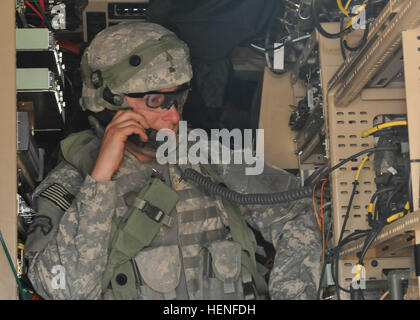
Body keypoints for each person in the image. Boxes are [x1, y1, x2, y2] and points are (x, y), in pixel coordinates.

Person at [24, 22, 321, 300]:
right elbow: (64, 290)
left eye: (178, 98)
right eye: (156, 101)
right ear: (111, 102)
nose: (174, 117)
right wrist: (99, 181)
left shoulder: (206, 157)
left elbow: (299, 211)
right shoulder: (73, 180)